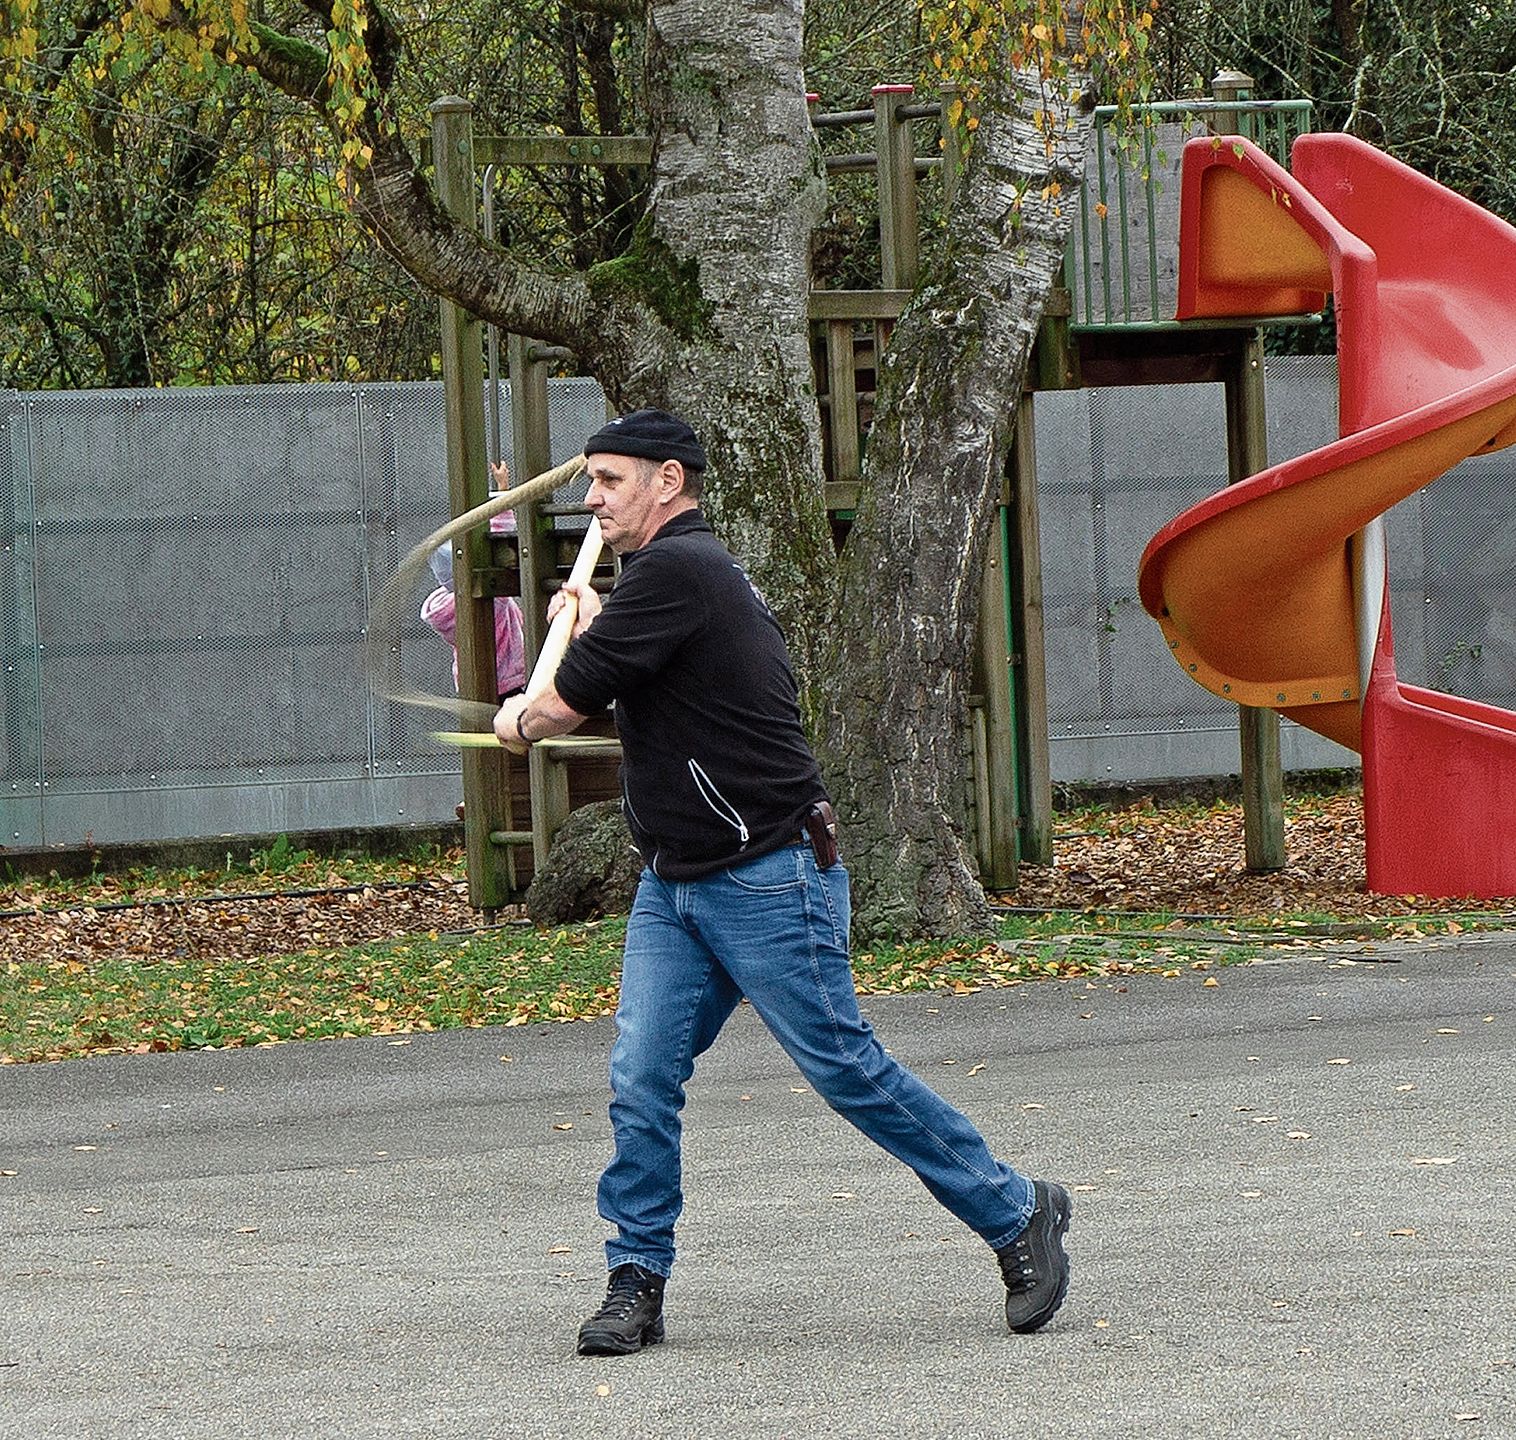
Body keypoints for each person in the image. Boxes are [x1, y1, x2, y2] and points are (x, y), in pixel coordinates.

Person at [493, 409, 1071, 1357]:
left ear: (668, 482)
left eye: (607, 480)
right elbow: (655, 681)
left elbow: (557, 707)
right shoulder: (666, 584)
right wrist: (594, 629)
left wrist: (522, 717)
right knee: (642, 1078)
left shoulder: (682, 570)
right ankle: (636, 1280)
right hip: (676, 883)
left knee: (846, 1069)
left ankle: (1018, 1213)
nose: (591, 501)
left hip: (769, 875)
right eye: (589, 482)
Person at [422, 458, 526, 704]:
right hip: (507, 678)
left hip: (470, 681)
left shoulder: (444, 606)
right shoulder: (490, 599)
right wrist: (503, 490)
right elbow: (501, 539)